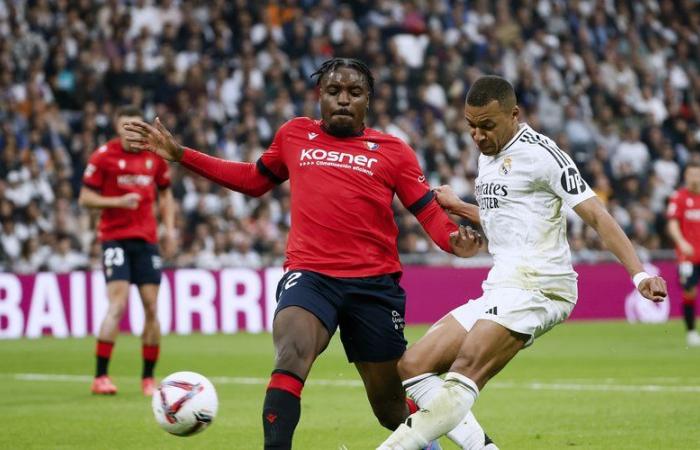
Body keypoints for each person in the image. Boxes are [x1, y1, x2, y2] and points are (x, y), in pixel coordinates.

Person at [123, 58, 485, 450]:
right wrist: (182, 155)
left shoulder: (393, 151)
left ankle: (434, 442)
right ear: (320, 97)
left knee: (388, 407)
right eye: (333, 92)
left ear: (369, 101)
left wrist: (453, 240)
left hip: (374, 286)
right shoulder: (295, 134)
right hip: (311, 276)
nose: (343, 99)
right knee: (292, 354)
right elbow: (254, 179)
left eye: (354, 92)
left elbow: (428, 210)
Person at [377, 76, 668, 449]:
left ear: (514, 115)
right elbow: (509, 215)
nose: (478, 136)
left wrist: (639, 273)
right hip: (503, 284)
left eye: (487, 125)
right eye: (470, 126)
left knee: (464, 370)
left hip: (541, 284)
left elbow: (596, 215)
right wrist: (461, 207)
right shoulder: (488, 156)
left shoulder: (542, 154)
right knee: (413, 366)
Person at [79, 105, 176, 396]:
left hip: (147, 241)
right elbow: (85, 198)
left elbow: (166, 192)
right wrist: (118, 203)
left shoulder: (153, 156)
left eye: (135, 125)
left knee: (151, 307)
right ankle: (101, 376)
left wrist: (169, 228)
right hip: (115, 238)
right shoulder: (103, 156)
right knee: (117, 305)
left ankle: (148, 379)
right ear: (117, 126)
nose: (130, 130)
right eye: (125, 125)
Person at [666, 161, 700, 347]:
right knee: (689, 291)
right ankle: (691, 332)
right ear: (686, 177)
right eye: (691, 175)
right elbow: (672, 223)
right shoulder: (679, 198)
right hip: (688, 257)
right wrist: (681, 242)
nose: (695, 179)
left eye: (697, 174)